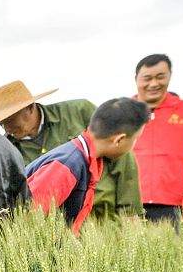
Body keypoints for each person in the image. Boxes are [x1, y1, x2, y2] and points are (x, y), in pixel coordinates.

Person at [0, 81, 143, 219]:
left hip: (104, 216)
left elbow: (121, 155)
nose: (6, 128)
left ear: (30, 108)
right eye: (1, 123)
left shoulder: (79, 111)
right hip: (59, 228)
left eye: (10, 120)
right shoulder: (5, 148)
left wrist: (130, 212)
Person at [25, 98, 151, 234]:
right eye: (135, 139)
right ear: (118, 140)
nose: (134, 145)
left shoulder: (85, 158)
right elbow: (27, 217)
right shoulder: (68, 165)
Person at [131, 54, 183, 224]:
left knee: (175, 242)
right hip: (129, 204)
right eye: (147, 78)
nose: (154, 84)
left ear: (169, 76)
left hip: (176, 203)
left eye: (160, 77)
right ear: (136, 79)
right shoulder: (121, 111)